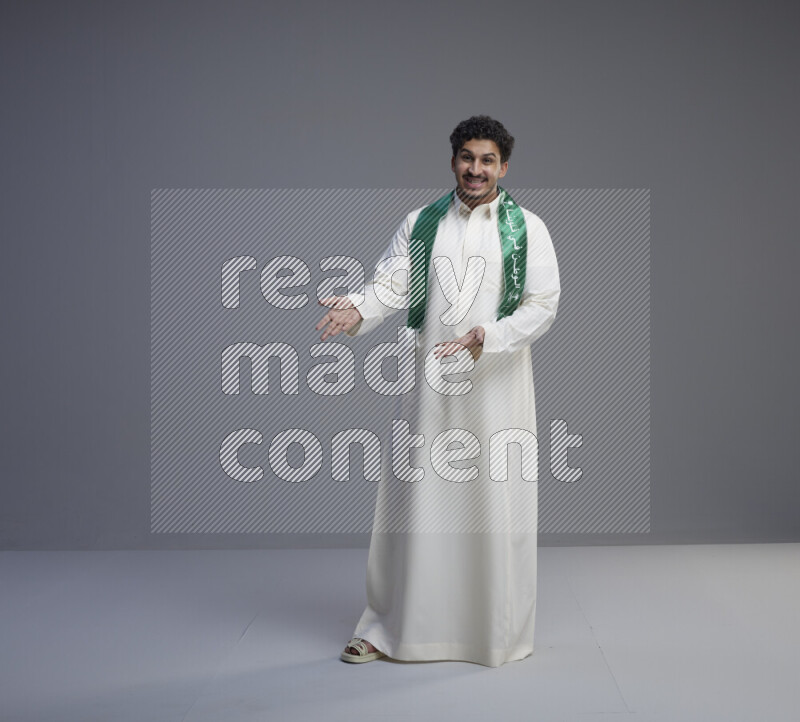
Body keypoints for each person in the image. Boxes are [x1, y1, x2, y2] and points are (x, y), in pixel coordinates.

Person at [315, 115, 561, 667]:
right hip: (428, 386)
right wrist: (359, 306)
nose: (476, 169)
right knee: (416, 501)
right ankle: (389, 628)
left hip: (496, 387)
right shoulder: (421, 222)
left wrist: (489, 337)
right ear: (453, 161)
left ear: (504, 166)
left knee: (492, 502)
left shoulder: (528, 229)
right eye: (467, 157)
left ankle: (491, 631)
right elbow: (391, 282)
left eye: (487, 160)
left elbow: (543, 305)